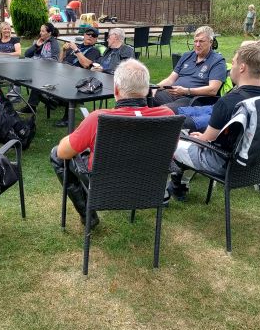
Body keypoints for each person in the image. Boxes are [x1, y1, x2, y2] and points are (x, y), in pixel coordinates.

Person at [50, 59, 175, 226]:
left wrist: (75, 137)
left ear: (116, 90)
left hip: (106, 185)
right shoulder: (167, 115)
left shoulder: (98, 118)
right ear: (147, 90)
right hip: (148, 185)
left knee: (56, 154)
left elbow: (62, 153)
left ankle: (88, 215)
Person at [169, 43, 260, 201]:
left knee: (172, 141)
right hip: (253, 166)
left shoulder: (228, 102)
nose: (231, 68)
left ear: (242, 67)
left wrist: (198, 137)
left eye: (234, 63)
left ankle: (171, 189)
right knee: (193, 137)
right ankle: (180, 183)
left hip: (222, 164)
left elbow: (206, 140)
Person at [153, 25, 226, 109]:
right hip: (172, 94)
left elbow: (213, 90)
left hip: (191, 99)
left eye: (201, 41)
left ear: (211, 42)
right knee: (145, 97)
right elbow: (170, 79)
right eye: (195, 41)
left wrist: (186, 91)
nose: (197, 45)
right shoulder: (187, 56)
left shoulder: (217, 61)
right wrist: (155, 87)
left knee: (163, 110)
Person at [55, 27, 103, 127]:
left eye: (93, 35)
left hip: (79, 77)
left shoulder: (94, 51)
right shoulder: (76, 46)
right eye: (88, 34)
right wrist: (63, 50)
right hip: (64, 72)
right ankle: (36, 104)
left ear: (96, 39)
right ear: (84, 35)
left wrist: (76, 50)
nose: (90, 36)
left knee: (68, 85)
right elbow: (60, 62)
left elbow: (86, 64)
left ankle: (67, 117)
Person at [20, 23, 61, 113]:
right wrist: (36, 46)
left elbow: (54, 59)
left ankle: (32, 106)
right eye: (40, 31)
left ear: (49, 33)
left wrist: (39, 62)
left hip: (47, 71)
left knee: (38, 79)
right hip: (35, 69)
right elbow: (27, 54)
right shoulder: (39, 41)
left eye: (43, 31)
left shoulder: (54, 43)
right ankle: (15, 94)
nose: (40, 33)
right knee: (19, 73)